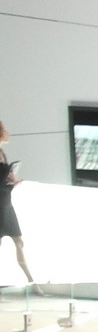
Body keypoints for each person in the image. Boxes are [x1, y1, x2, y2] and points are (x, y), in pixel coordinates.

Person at [0, 120, 29, 284]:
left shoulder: (2, 152)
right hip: (1, 200)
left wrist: (14, 180)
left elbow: (6, 175)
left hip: (5, 200)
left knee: (18, 241)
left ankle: (30, 279)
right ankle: (30, 279)